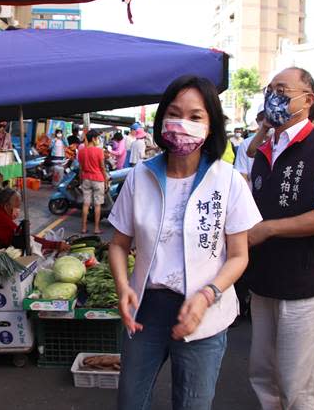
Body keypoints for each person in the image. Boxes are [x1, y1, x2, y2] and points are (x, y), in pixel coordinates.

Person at [108, 75, 262, 410]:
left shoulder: (229, 180)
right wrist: (123, 286)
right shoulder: (140, 176)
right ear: (162, 118)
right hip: (146, 308)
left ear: (210, 126)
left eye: (195, 117)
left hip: (204, 311)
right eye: (175, 114)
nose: (182, 124)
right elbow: (119, 244)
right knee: (131, 401)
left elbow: (238, 256)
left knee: (193, 403)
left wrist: (209, 295)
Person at [246, 67, 314, 410]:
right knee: (263, 376)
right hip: (263, 280)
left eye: (282, 89)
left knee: (297, 385)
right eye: (270, 89)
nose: (273, 96)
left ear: (308, 100)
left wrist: (269, 229)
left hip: (304, 283)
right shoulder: (263, 148)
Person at [78, 130, 109, 234]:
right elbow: (102, 167)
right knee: (97, 205)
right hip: (98, 179)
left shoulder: (81, 151)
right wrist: (106, 180)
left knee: (86, 204)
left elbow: (80, 168)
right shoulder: (99, 151)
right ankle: (96, 228)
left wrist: (81, 179)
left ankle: (83, 227)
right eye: (97, 138)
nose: (98, 140)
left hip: (86, 179)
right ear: (94, 138)